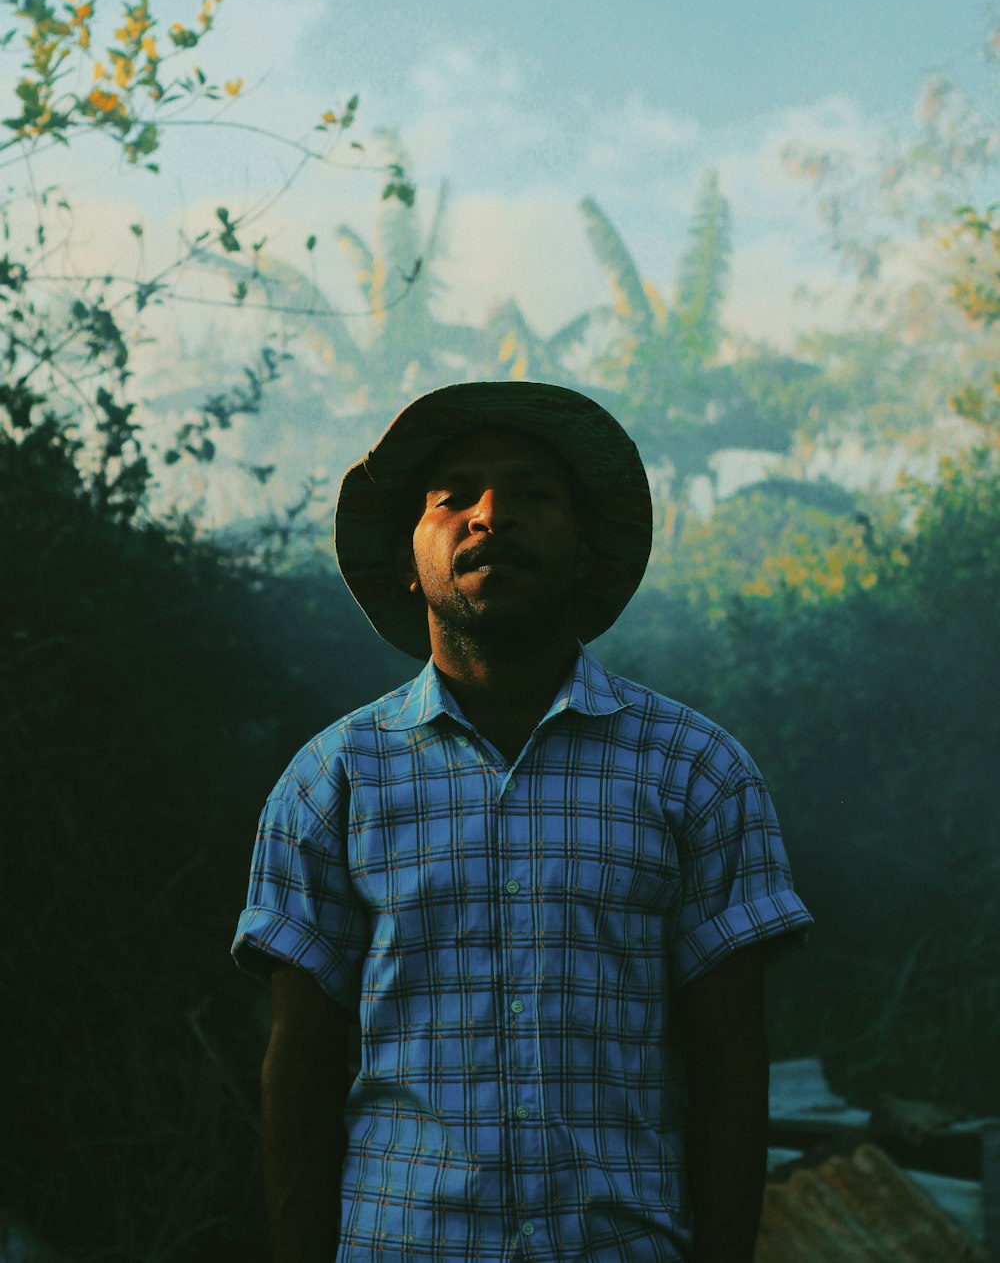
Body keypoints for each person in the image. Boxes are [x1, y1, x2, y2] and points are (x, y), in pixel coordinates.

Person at [232, 380, 813, 1263]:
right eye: (453, 496)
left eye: (534, 495)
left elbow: (730, 1066)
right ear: (405, 557)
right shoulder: (332, 781)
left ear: (585, 551)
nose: (491, 514)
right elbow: (300, 1071)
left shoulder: (696, 769)